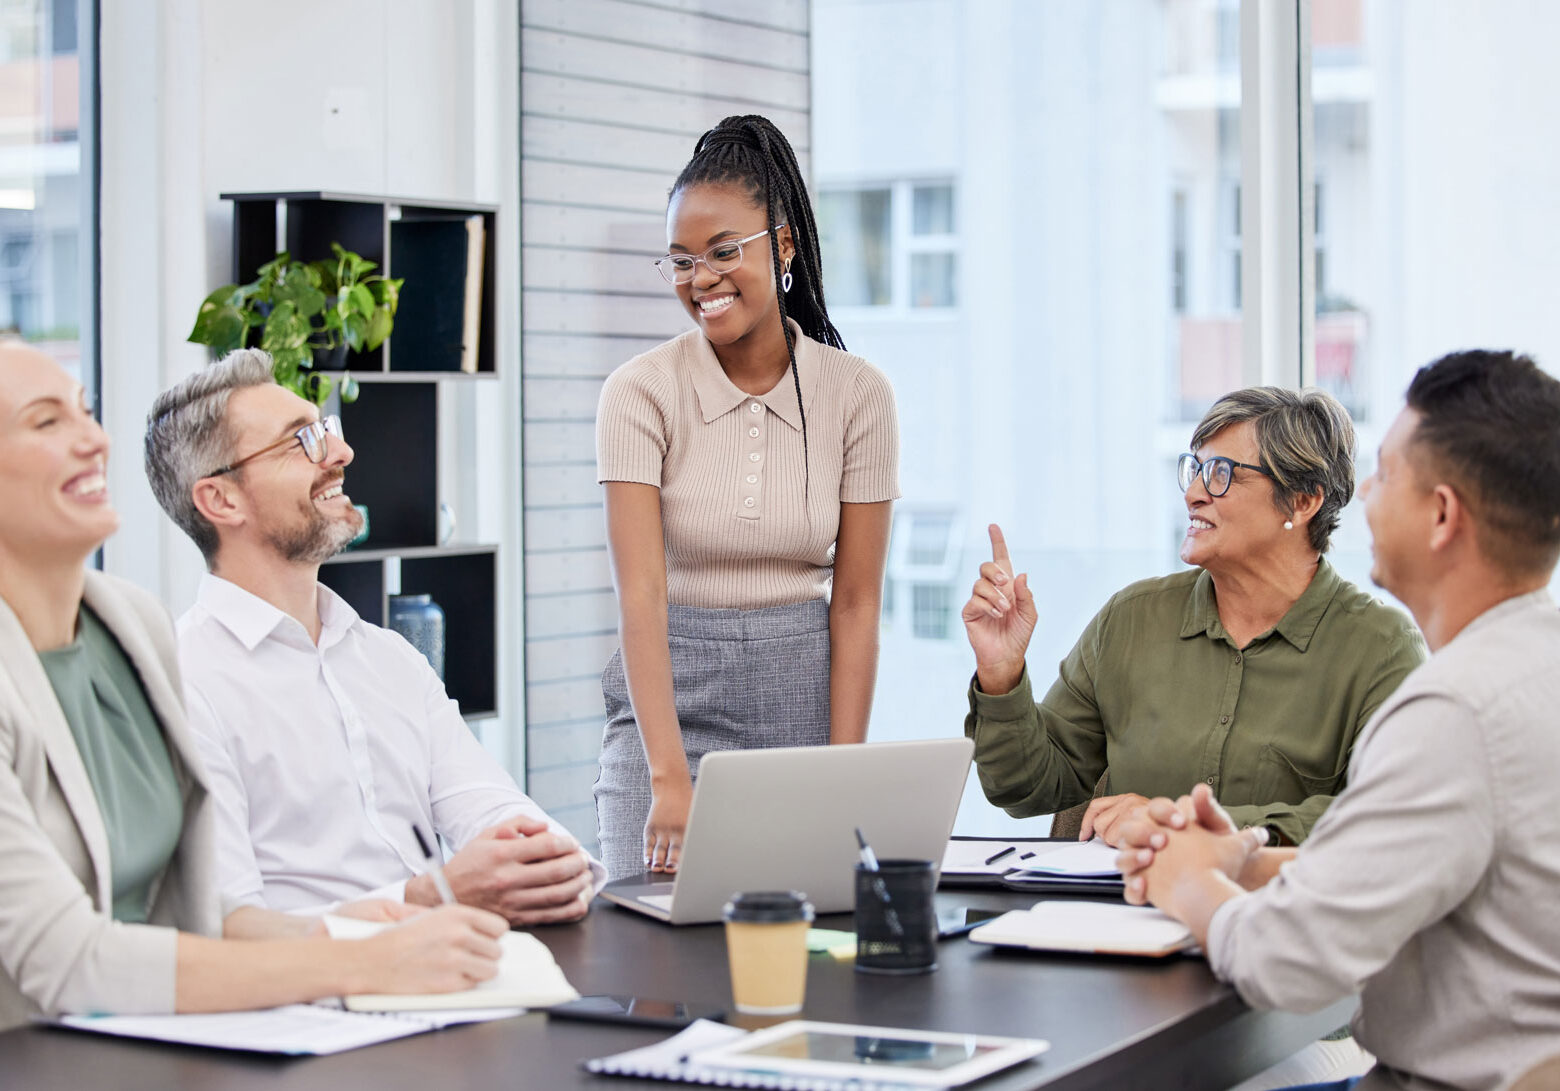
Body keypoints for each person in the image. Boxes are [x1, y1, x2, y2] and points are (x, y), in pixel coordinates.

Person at [0, 340, 506, 1031]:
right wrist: (367, 957)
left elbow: (202, 912)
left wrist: (383, 924)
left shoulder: (129, 626)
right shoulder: (188, 658)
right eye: (46, 421)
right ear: (217, 498)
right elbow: (62, 958)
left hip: (167, 1028)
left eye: (86, 412)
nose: (94, 439)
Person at [1116, 349, 1560, 1091]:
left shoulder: (1451, 710)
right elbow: (1435, 869)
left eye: (1385, 475)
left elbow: (1283, 963)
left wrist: (1189, 880)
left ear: (1442, 514)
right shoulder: (1534, 667)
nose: (1367, 501)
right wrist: (1247, 863)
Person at [144, 350, 602, 926]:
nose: (341, 453)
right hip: (314, 1003)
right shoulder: (184, 684)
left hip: (458, 968)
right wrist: (428, 899)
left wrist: (548, 862)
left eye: (325, 430)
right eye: (301, 441)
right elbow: (226, 927)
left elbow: (490, 806)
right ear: (221, 500)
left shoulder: (389, 658)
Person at [594, 114, 899, 878]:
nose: (702, 279)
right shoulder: (639, 393)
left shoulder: (857, 395)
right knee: (652, 971)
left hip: (804, 697)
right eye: (681, 261)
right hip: (668, 707)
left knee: (798, 961)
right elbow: (641, 594)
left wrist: (842, 774)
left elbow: (857, 602)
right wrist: (669, 776)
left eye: (724, 251)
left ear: (784, 243)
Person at [962, 387, 1424, 846]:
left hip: (1271, 913)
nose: (1195, 494)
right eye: (1197, 469)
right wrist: (1001, 675)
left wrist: (1188, 825)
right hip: (1114, 912)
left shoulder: (1381, 646)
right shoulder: (1131, 620)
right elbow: (1024, 789)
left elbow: (1390, 814)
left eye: (1223, 473)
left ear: (1303, 502)